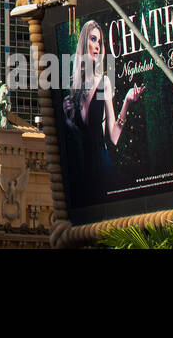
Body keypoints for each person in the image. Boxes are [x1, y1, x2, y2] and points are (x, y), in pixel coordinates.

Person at [62, 19, 144, 205]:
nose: (97, 46)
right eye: (93, 39)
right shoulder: (72, 87)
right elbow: (75, 137)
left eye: (99, 41)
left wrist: (127, 102)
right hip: (80, 174)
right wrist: (67, 122)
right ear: (84, 43)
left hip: (102, 169)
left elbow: (114, 136)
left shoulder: (104, 82)